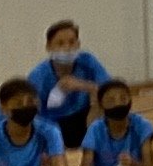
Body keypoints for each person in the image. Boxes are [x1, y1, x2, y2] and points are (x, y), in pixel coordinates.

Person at [27, 21, 110, 152]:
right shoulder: (39, 76)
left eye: (72, 42)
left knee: (101, 99)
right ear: (49, 47)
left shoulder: (88, 61)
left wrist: (85, 86)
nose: (67, 47)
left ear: (78, 44)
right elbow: (32, 115)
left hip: (83, 117)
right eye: (60, 43)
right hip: (53, 122)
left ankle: (95, 143)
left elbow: (109, 90)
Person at [78, 78, 153, 166]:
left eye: (123, 99)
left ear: (130, 100)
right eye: (111, 100)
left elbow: (149, 165)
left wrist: (134, 165)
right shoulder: (95, 129)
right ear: (101, 105)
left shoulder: (143, 125)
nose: (118, 104)